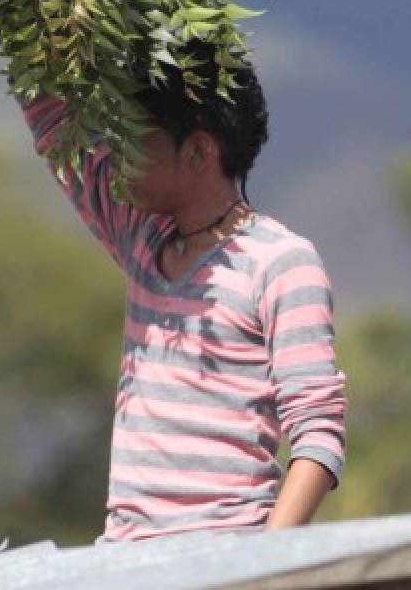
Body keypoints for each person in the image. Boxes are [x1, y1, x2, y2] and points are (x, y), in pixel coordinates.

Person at [17, 41, 346, 540]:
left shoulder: (281, 264)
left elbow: (318, 436)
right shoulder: (142, 238)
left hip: (224, 559)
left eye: (135, 138)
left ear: (197, 151)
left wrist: (268, 563)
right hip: (125, 562)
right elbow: (54, 123)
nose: (118, 153)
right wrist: (25, 0)